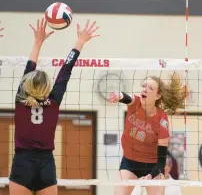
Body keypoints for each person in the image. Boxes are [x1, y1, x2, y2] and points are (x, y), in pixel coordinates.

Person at [9, 18, 99, 195]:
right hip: (46, 164)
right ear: (48, 86)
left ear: (26, 85)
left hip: (22, 162)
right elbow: (67, 68)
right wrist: (80, 42)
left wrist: (38, 42)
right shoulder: (54, 100)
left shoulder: (21, 99)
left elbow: (30, 66)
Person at [109, 74, 185, 195]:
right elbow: (127, 98)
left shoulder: (162, 120)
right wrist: (119, 95)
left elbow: (161, 160)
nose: (145, 89)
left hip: (153, 166)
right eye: (144, 86)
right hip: (129, 162)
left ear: (158, 95)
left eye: (150, 88)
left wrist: (150, 175)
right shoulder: (136, 103)